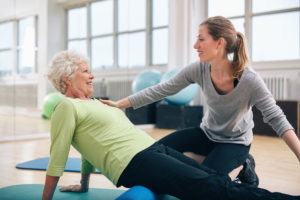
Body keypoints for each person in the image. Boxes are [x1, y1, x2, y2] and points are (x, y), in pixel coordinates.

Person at [42, 50, 300, 200]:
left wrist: (85, 184)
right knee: (211, 187)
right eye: (86, 71)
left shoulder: (96, 103)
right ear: (67, 77)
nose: (92, 75)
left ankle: (244, 173)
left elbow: (89, 146)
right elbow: (59, 154)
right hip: (135, 163)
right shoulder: (66, 107)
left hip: (153, 151)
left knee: (214, 180)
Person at [100, 16, 300, 186]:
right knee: (154, 154)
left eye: (201, 39)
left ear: (219, 43)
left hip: (235, 142)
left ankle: (243, 166)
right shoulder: (199, 69)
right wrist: (120, 104)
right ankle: (202, 160)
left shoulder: (249, 79)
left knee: (204, 184)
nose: (196, 46)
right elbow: (162, 89)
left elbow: (277, 118)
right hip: (206, 134)